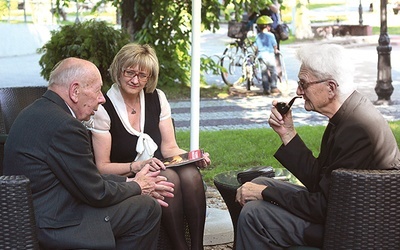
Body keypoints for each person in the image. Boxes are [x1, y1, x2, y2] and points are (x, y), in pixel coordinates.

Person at [235, 43, 400, 249]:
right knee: (259, 182)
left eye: (303, 84)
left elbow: (324, 206)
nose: (298, 91)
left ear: (331, 88)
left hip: (351, 231)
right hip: (339, 214)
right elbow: (319, 181)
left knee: (254, 213)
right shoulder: (346, 116)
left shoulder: (357, 129)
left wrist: (265, 193)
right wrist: (288, 134)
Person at [3, 57, 175, 249]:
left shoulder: (36, 111)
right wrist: (138, 187)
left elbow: (84, 178)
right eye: (97, 91)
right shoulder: (66, 126)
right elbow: (97, 193)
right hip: (56, 224)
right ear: (75, 91)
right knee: (146, 208)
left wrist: (131, 182)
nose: (102, 99)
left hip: (31, 216)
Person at [89, 43, 211, 250]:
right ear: (118, 70)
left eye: (143, 75)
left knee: (191, 173)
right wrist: (136, 166)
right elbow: (102, 166)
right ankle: (180, 246)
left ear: (149, 77)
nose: (136, 80)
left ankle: (197, 246)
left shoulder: (157, 98)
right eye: (130, 72)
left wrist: (193, 156)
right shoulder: (103, 108)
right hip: (127, 176)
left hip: (158, 166)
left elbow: (170, 148)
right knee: (169, 177)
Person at [254, 15, 280, 96]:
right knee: (273, 71)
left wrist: (256, 54)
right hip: (269, 55)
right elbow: (274, 45)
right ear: (268, 27)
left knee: (264, 72)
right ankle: (274, 87)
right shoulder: (271, 35)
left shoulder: (258, 36)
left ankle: (266, 89)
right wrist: (276, 50)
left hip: (261, 56)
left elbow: (256, 47)